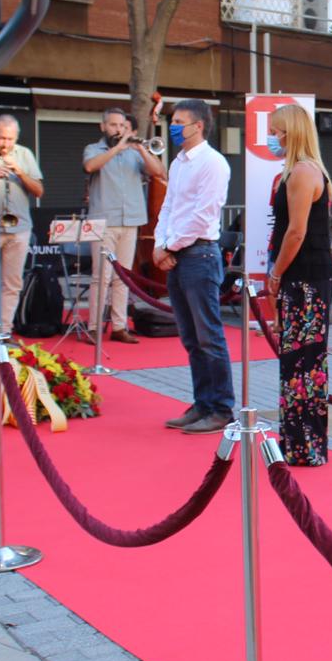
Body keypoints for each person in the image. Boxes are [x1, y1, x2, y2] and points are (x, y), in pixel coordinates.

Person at [154, 100, 234, 434]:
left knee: (208, 336)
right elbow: (169, 206)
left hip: (200, 254)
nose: (173, 127)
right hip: (177, 253)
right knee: (190, 337)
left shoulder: (213, 163)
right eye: (172, 120)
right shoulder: (178, 163)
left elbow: (204, 214)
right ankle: (202, 403)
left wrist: (171, 245)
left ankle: (221, 408)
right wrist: (160, 244)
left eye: (179, 121)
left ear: (199, 125)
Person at [265, 103, 332, 466]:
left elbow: (296, 231)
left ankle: (303, 445)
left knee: (302, 363)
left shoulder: (302, 173)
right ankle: (300, 443)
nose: (270, 137)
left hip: (304, 280)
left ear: (290, 132)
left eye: (275, 130)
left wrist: (276, 274)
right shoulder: (307, 171)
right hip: (307, 278)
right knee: (301, 362)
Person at [82, 107, 166, 343]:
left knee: (123, 277)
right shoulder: (93, 149)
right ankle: (94, 327)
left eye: (122, 126)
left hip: (130, 220)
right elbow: (90, 167)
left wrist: (141, 148)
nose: (118, 129)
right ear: (103, 126)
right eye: (113, 125)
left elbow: (159, 172)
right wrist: (117, 148)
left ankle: (119, 327)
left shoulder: (134, 153)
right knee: (102, 276)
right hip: (103, 221)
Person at [0, 115, 44, 335]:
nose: (5, 144)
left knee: (12, 283)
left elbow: (39, 191)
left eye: (10, 139)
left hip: (19, 227)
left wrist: (20, 172)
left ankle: (4, 332)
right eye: (1, 138)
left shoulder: (24, 155)